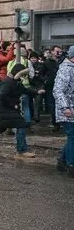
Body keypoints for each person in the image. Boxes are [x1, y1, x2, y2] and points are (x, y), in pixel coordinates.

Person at [0, 63, 42, 158]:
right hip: (7, 111)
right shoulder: (9, 82)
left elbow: (25, 90)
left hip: (6, 111)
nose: (24, 77)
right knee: (22, 125)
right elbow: (2, 96)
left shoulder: (14, 81)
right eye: (23, 74)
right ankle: (21, 150)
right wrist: (14, 105)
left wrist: (36, 92)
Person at [53, 46, 74, 178]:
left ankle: (62, 160)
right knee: (72, 137)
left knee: (72, 137)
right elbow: (58, 90)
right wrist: (65, 107)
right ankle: (70, 164)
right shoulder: (66, 69)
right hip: (67, 109)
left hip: (71, 108)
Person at [45, 46, 63, 131]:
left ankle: (62, 122)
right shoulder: (47, 62)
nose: (59, 53)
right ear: (52, 52)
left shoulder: (63, 61)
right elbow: (41, 73)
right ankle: (56, 123)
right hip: (51, 86)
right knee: (52, 105)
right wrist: (46, 80)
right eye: (57, 51)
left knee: (62, 104)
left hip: (62, 86)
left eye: (60, 51)